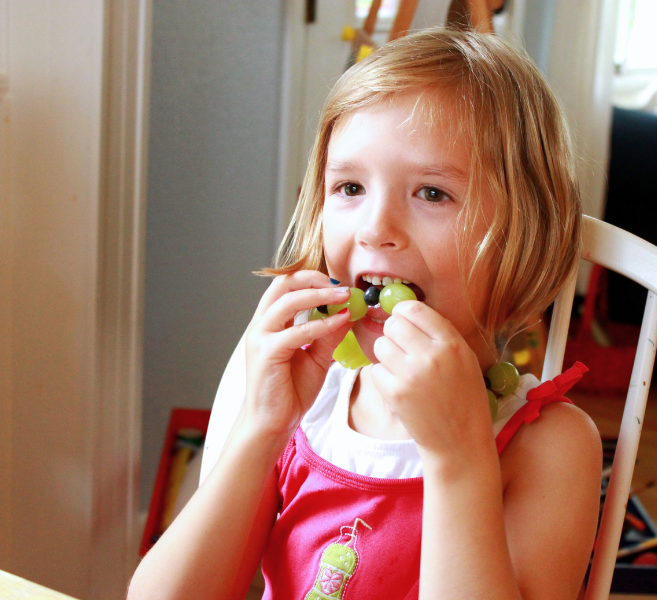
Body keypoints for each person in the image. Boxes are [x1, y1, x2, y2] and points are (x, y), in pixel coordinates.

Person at [128, 28, 602, 600]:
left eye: (432, 193)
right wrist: (262, 427)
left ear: (522, 237)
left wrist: (458, 462)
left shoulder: (550, 447)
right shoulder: (310, 403)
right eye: (350, 187)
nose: (376, 228)